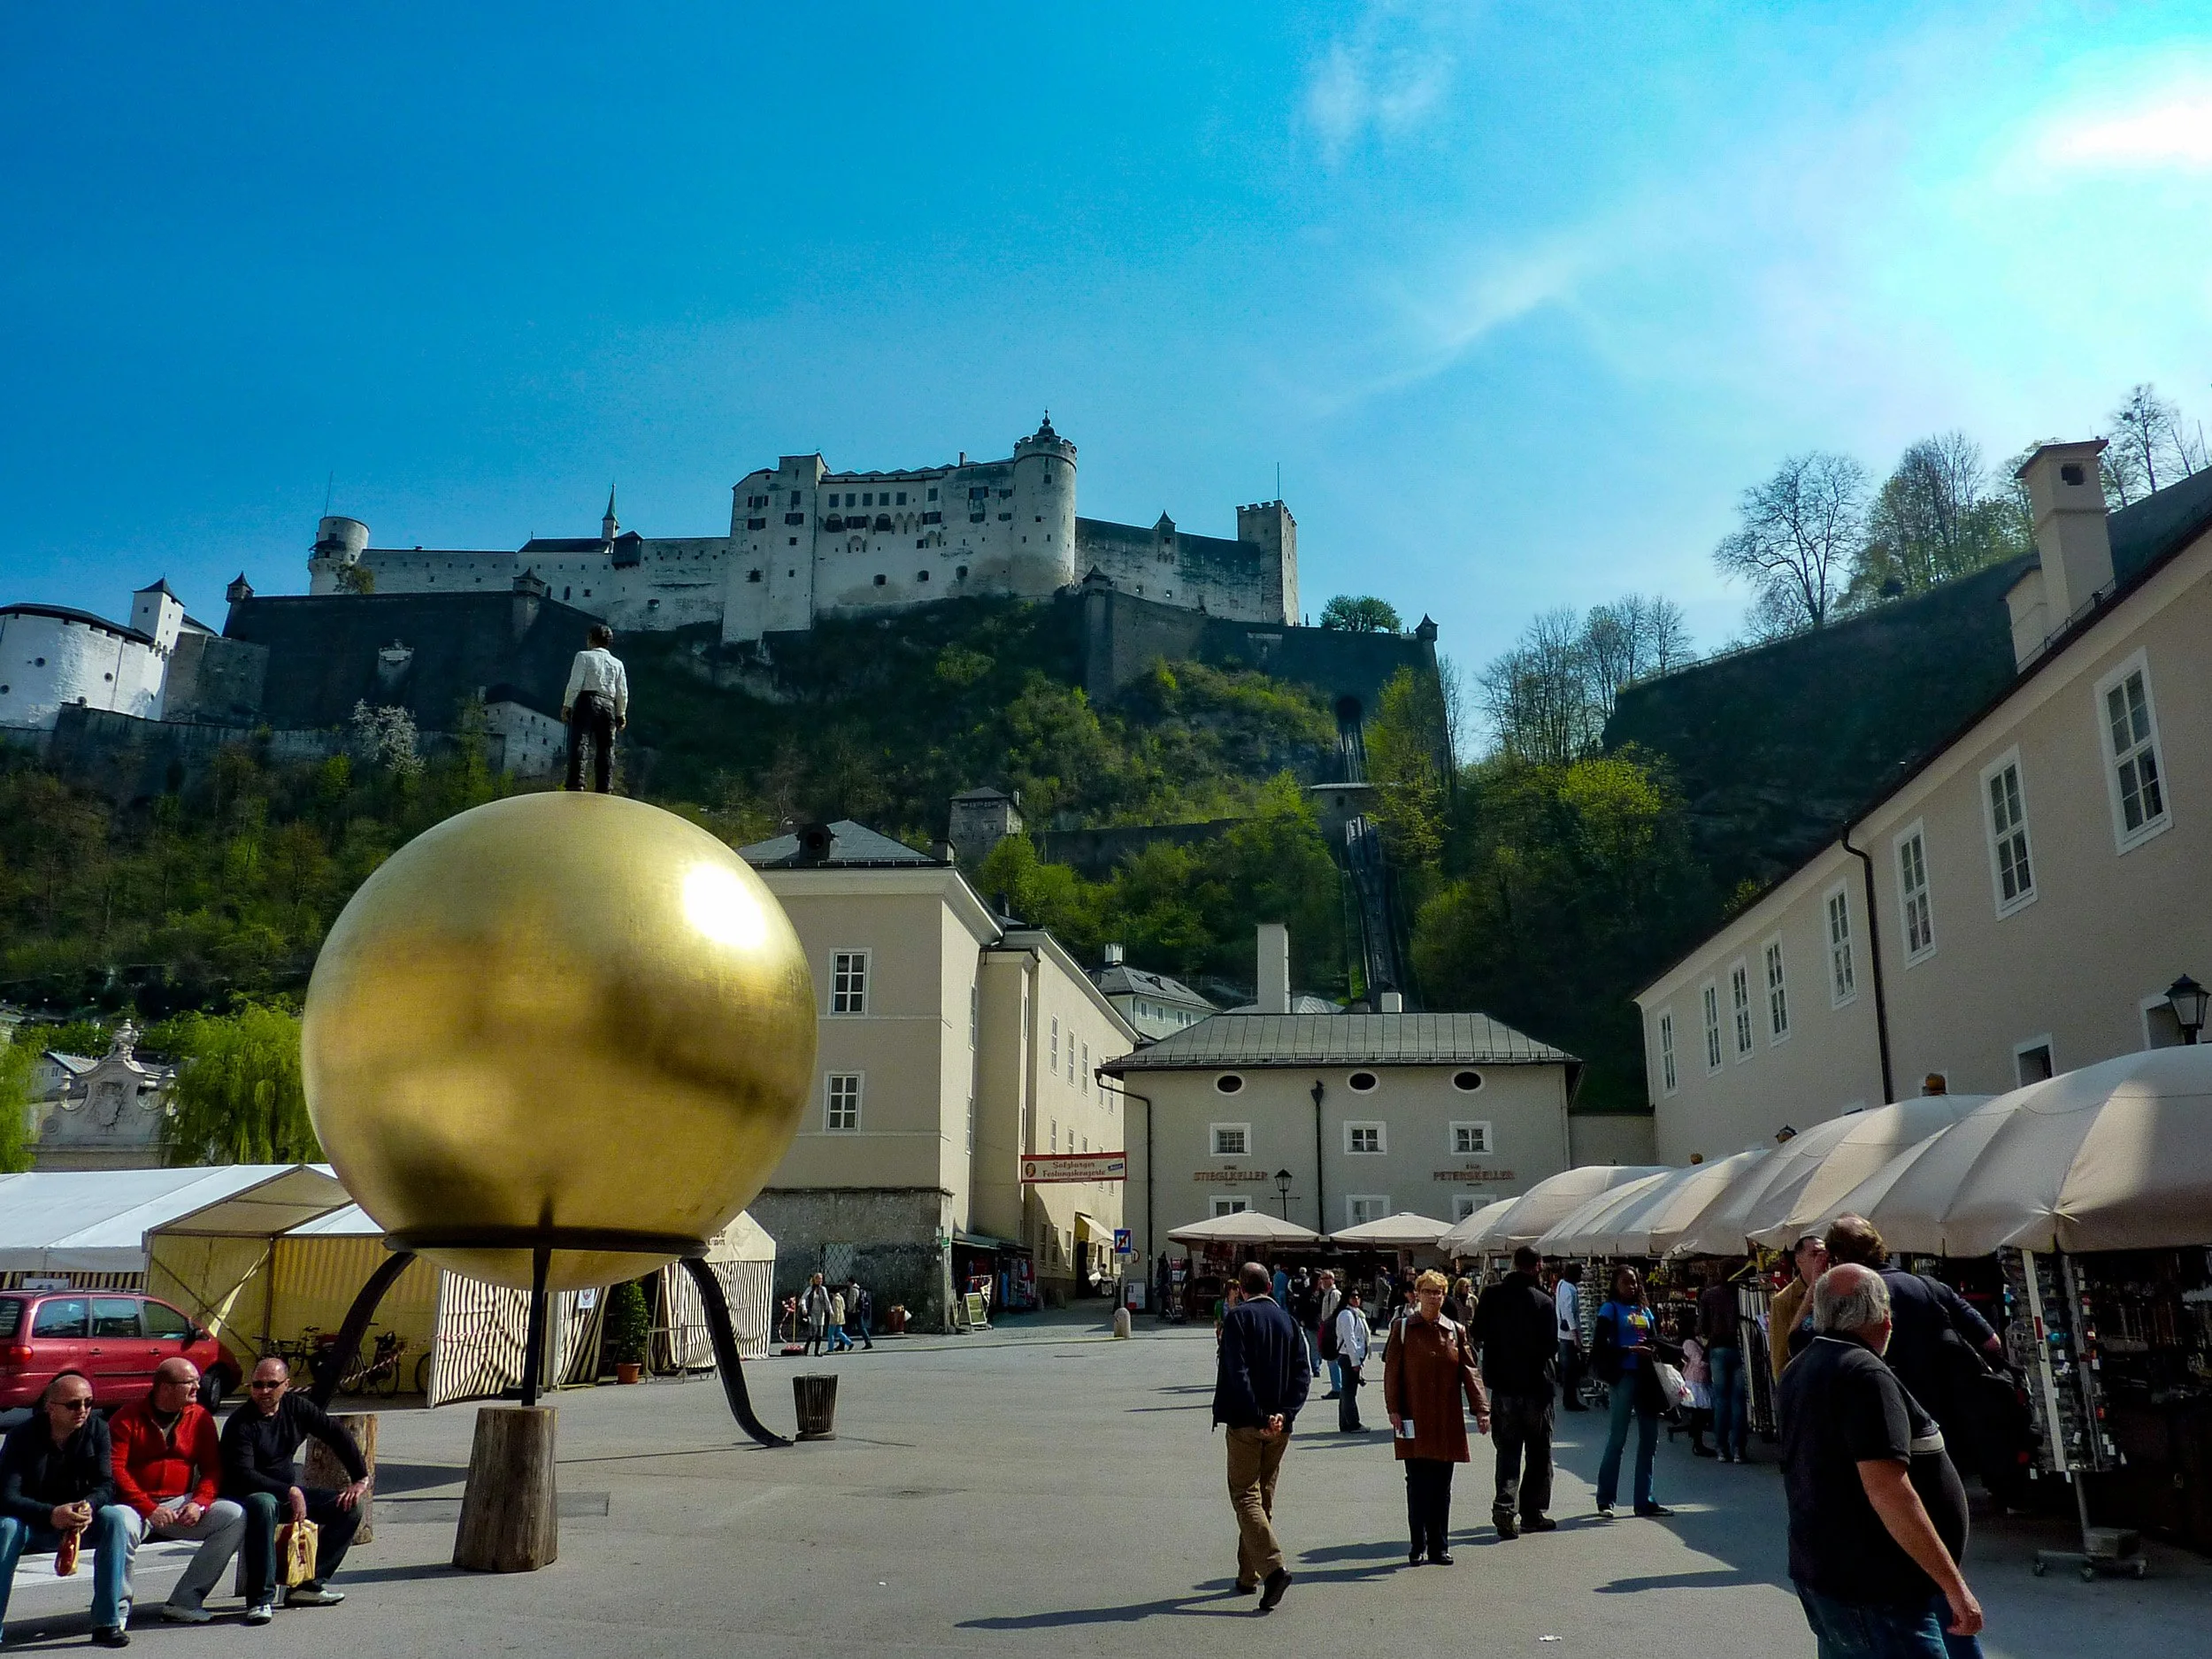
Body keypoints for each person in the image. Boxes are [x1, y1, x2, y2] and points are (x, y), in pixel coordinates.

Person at [1780, 1263, 1985, 1659]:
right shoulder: (1865, 1375)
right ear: (1881, 1315)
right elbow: (1889, 1490)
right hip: (1876, 1589)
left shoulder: (1801, 1367)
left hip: (1829, 1574)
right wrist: (1954, 1587)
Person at [1825, 1215, 2004, 1448]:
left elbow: (1798, 1343)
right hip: (1944, 1420)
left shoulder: (1844, 1299)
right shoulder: (1930, 1287)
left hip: (1884, 1423)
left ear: (1837, 1257)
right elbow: (1992, 1342)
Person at [220, 1356, 370, 1624]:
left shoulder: (296, 1408)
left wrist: (361, 1478)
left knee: (351, 1507)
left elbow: (336, 1434)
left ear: (286, 1385)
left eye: (271, 1384)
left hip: (288, 1494)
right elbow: (243, 1475)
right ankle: (260, 1599)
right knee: (264, 1505)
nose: (263, 1391)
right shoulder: (240, 1423)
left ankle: (307, 1585)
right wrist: (290, 1490)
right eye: (257, 1385)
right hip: (248, 1495)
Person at [0, 1370, 134, 1647]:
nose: (83, 1410)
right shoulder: (21, 1437)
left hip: (79, 1520)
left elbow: (106, 1484)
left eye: (88, 1403)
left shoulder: (98, 1431)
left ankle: (107, 1622)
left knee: (114, 1518)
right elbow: (7, 1496)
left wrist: (89, 1505)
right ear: (50, 1407)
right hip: (34, 1521)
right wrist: (51, 1513)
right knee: (6, 1527)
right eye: (73, 1404)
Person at [111, 1357, 247, 1625]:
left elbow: (212, 1469)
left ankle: (185, 1600)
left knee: (234, 1515)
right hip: (134, 1505)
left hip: (179, 1503)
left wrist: (200, 1503)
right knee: (120, 1525)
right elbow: (116, 1470)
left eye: (197, 1380)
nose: (198, 1386)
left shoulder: (200, 1417)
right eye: (190, 1382)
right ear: (165, 1387)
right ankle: (116, 1611)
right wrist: (149, 1508)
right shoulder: (126, 1418)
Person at [1212, 1261, 1309, 1612]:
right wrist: (1286, 1413)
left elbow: (1236, 1372)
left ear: (1241, 1288)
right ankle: (1246, 1574)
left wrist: (1257, 1414)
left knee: (1245, 1497)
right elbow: (1303, 1373)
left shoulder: (1238, 1318)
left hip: (1247, 1423)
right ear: (1270, 1286)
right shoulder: (1289, 1321)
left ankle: (1272, 1568)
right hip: (1279, 1427)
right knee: (1262, 1498)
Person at [1384, 1269, 1491, 1566]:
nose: (1434, 1297)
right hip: (1412, 1417)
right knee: (1417, 1484)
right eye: (1428, 1291)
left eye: (1439, 1292)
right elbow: (1392, 1371)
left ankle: (1439, 1546)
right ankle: (1418, 1544)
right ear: (1417, 1294)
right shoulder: (1403, 1328)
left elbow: (1470, 1371)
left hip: (1447, 1419)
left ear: (1445, 1296)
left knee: (1442, 1486)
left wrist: (1481, 1409)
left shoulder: (1456, 1330)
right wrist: (1393, 1408)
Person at [1472, 1245, 1559, 1540]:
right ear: (1537, 1265)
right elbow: (1551, 1346)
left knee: (1508, 1450)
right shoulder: (1544, 1301)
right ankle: (1532, 1513)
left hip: (1504, 1386)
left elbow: (1477, 1333)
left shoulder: (1491, 1295)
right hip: (1536, 1386)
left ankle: (1505, 1505)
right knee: (1538, 1452)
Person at [1590, 1264, 1678, 1519]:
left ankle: (1645, 1500)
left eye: (1635, 1282)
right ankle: (1605, 1499)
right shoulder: (1610, 1309)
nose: (1632, 1286)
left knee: (1650, 1439)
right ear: (1615, 1284)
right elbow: (1599, 1346)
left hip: (1646, 1378)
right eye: (1626, 1282)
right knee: (1617, 1438)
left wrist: (1656, 1349)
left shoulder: (1645, 1310)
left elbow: (1654, 1338)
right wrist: (1629, 1351)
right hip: (1623, 1378)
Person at [560, 623, 629, 794]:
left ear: (590, 639)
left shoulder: (583, 656)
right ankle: (605, 787)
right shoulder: (617, 664)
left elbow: (575, 683)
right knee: (606, 747)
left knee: (580, 742)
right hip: (609, 705)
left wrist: (567, 705)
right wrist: (621, 713)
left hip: (587, 701)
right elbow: (622, 691)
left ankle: (576, 783)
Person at [1698, 1265, 1749, 1463]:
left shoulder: (1709, 1295)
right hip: (1740, 1347)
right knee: (1738, 1401)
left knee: (1721, 1400)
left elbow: (1701, 1326)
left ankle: (1721, 1448)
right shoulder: (1741, 1294)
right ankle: (1739, 1450)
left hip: (1717, 1349)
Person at [1770, 1233, 1828, 1382]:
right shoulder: (1783, 1301)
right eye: (1815, 1254)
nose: (1822, 1260)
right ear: (1799, 1260)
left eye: (1825, 1254)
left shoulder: (1837, 1291)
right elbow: (1779, 1358)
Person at [1334, 1289, 1373, 1432]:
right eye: (1353, 1296)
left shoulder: (1357, 1314)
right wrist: (1355, 1361)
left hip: (1351, 1356)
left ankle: (1345, 1422)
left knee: (1346, 1391)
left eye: (1358, 1296)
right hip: (1348, 1356)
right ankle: (1353, 1423)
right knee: (1349, 1392)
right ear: (1346, 1298)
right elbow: (1349, 1338)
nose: (1356, 1298)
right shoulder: (1347, 1314)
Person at [1554, 1263, 1587, 1410]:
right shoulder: (1569, 1289)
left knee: (1569, 1370)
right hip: (1569, 1336)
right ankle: (1571, 1400)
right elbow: (1568, 1312)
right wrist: (1576, 1336)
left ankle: (1570, 1399)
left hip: (1563, 1334)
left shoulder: (1562, 1285)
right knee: (1571, 1370)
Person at [1314, 1271, 1344, 1398]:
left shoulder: (1334, 1294)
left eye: (1325, 1278)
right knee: (1332, 1359)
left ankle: (1338, 1388)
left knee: (1333, 1359)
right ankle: (1336, 1386)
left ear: (1332, 1280)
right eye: (1321, 1279)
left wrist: (1328, 1326)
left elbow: (1335, 1313)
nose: (1322, 1281)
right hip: (1328, 1328)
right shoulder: (1326, 1294)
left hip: (1332, 1330)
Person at [799, 1272, 833, 1356]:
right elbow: (803, 1298)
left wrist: (830, 1310)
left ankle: (816, 1351)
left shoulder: (823, 1289)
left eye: (821, 1279)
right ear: (814, 1279)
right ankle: (806, 1348)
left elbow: (827, 1300)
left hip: (821, 1313)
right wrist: (804, 1308)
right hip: (812, 1312)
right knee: (813, 1332)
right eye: (818, 1278)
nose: (819, 1280)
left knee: (820, 1333)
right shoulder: (810, 1289)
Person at [846, 1279, 875, 1349]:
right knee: (861, 1327)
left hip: (854, 1312)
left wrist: (849, 1310)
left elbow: (852, 1302)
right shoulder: (858, 1289)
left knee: (847, 1328)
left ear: (850, 1282)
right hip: (858, 1311)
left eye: (848, 1282)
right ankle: (868, 1342)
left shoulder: (853, 1290)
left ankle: (844, 1343)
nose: (847, 1283)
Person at [826, 1286, 854, 1353]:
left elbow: (836, 1310)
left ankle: (830, 1348)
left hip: (835, 1319)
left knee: (831, 1334)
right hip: (841, 1318)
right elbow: (843, 1307)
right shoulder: (841, 1297)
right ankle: (849, 1342)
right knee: (839, 1332)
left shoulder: (835, 1299)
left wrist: (836, 1319)